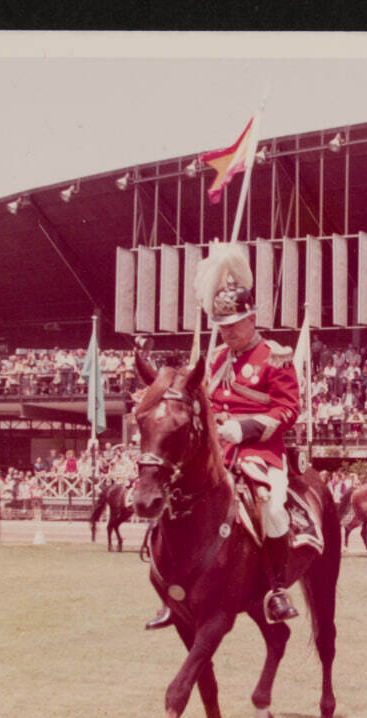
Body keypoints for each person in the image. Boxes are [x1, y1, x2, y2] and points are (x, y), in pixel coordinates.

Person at [152, 243, 300, 627]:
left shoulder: (274, 356)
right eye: (222, 325)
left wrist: (244, 428)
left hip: (260, 453)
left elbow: (288, 410)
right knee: (172, 493)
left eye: (234, 324)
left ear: (252, 318)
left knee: (270, 507)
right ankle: (172, 590)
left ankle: (277, 588)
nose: (228, 331)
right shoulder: (215, 358)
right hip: (217, 451)